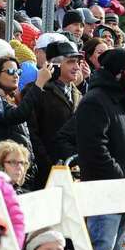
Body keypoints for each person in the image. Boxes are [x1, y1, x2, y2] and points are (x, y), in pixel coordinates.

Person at [76, 48, 125, 250]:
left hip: (124, 189)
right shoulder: (95, 101)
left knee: (113, 249)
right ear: (117, 72)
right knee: (100, 247)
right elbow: (94, 148)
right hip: (105, 190)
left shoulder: (123, 99)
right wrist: (119, 176)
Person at [26, 39, 80, 183]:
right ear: (53, 65)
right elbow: (32, 133)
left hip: (74, 171)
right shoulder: (35, 91)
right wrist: (48, 165)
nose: (77, 67)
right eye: (70, 62)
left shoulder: (79, 95)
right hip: (45, 175)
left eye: (77, 62)